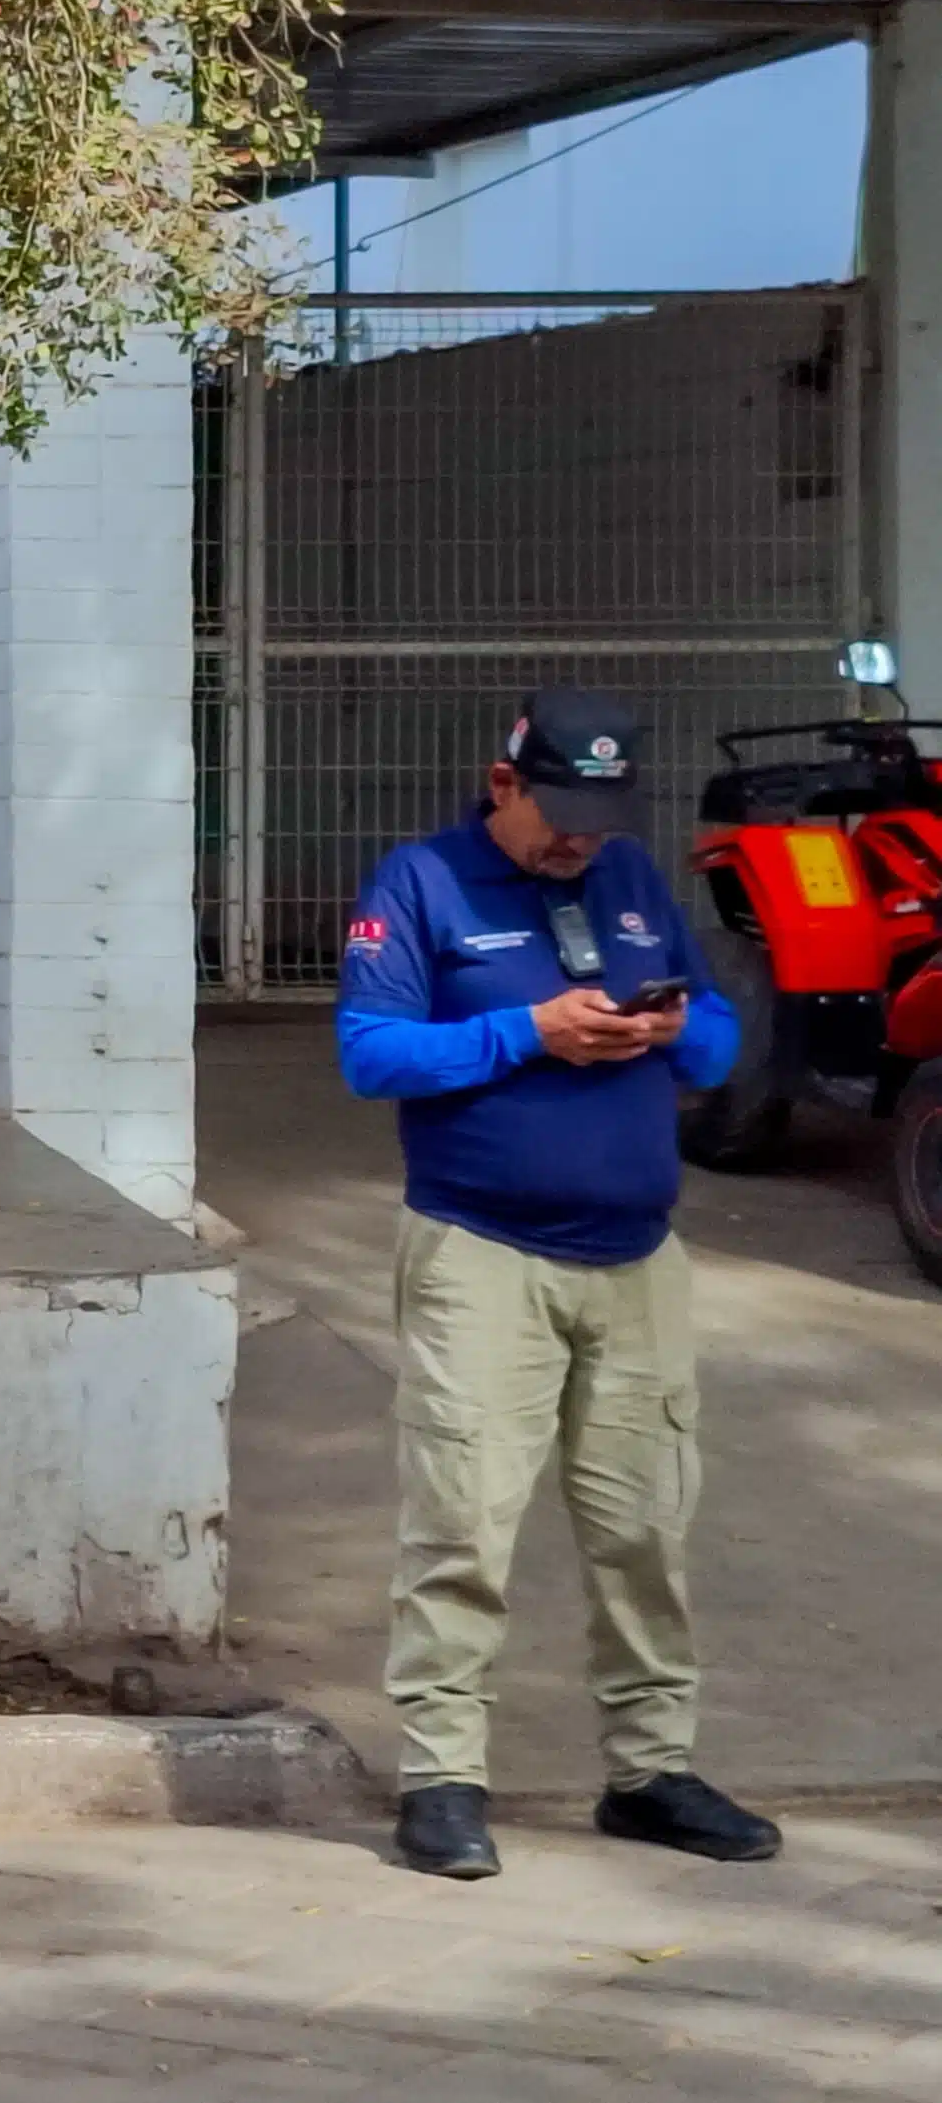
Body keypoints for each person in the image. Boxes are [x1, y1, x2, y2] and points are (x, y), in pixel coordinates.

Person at [339, 687, 776, 1881]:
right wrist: (530, 1031)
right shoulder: (422, 883)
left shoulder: (631, 881)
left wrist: (669, 1031)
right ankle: (441, 1780)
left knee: (645, 1532)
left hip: (637, 1260)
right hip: (483, 1254)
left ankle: (651, 1772)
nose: (577, 837)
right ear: (503, 784)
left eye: (598, 813)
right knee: (464, 1525)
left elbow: (725, 1042)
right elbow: (370, 1055)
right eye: (558, 811)